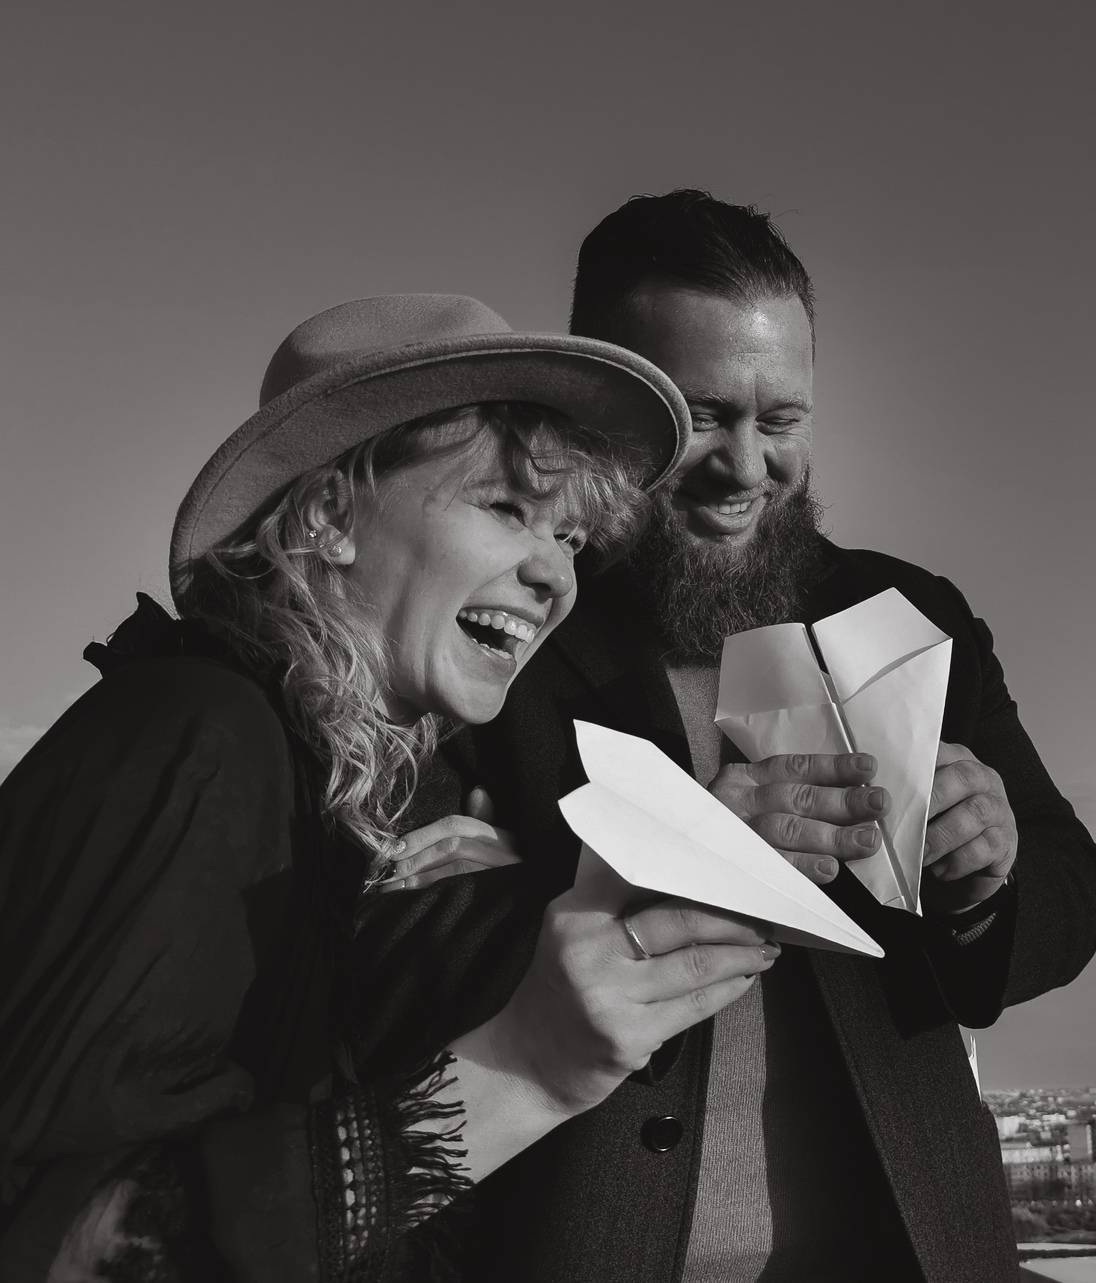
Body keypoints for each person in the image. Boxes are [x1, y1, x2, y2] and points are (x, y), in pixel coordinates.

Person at [353, 196, 1096, 1281]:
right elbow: (385, 940)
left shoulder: (910, 614)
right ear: (607, 402)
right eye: (705, 416)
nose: (747, 467)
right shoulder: (499, 616)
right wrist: (675, 857)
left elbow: (1071, 890)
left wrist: (988, 876)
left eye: (781, 419)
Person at [0, 293, 784, 1281]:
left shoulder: (320, 791)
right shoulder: (200, 740)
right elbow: (66, 1239)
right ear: (329, 514)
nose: (556, 577)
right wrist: (525, 1069)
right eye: (507, 508)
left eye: (572, 539)